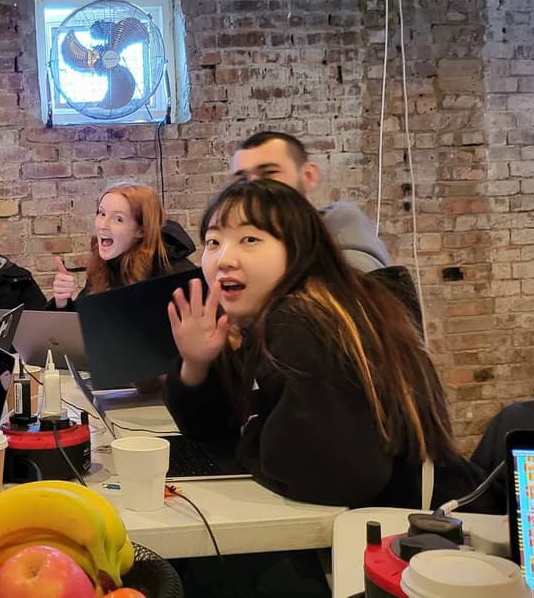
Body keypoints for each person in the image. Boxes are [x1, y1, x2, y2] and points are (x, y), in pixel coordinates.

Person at [163, 178, 501, 513]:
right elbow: (206, 429)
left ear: (299, 250)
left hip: (441, 526)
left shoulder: (305, 320)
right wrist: (197, 363)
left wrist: (249, 433)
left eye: (249, 239)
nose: (224, 259)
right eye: (213, 242)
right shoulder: (264, 320)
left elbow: (335, 478)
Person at [231, 131, 390, 272]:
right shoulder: (235, 238)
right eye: (243, 179)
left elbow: (358, 285)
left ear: (308, 176)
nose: (252, 187)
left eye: (269, 173)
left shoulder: (338, 223)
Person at [49, 181, 195, 311]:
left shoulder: (174, 274)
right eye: (102, 213)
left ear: (141, 230)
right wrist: (62, 302)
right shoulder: (105, 266)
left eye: (118, 219)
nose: (103, 225)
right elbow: (86, 325)